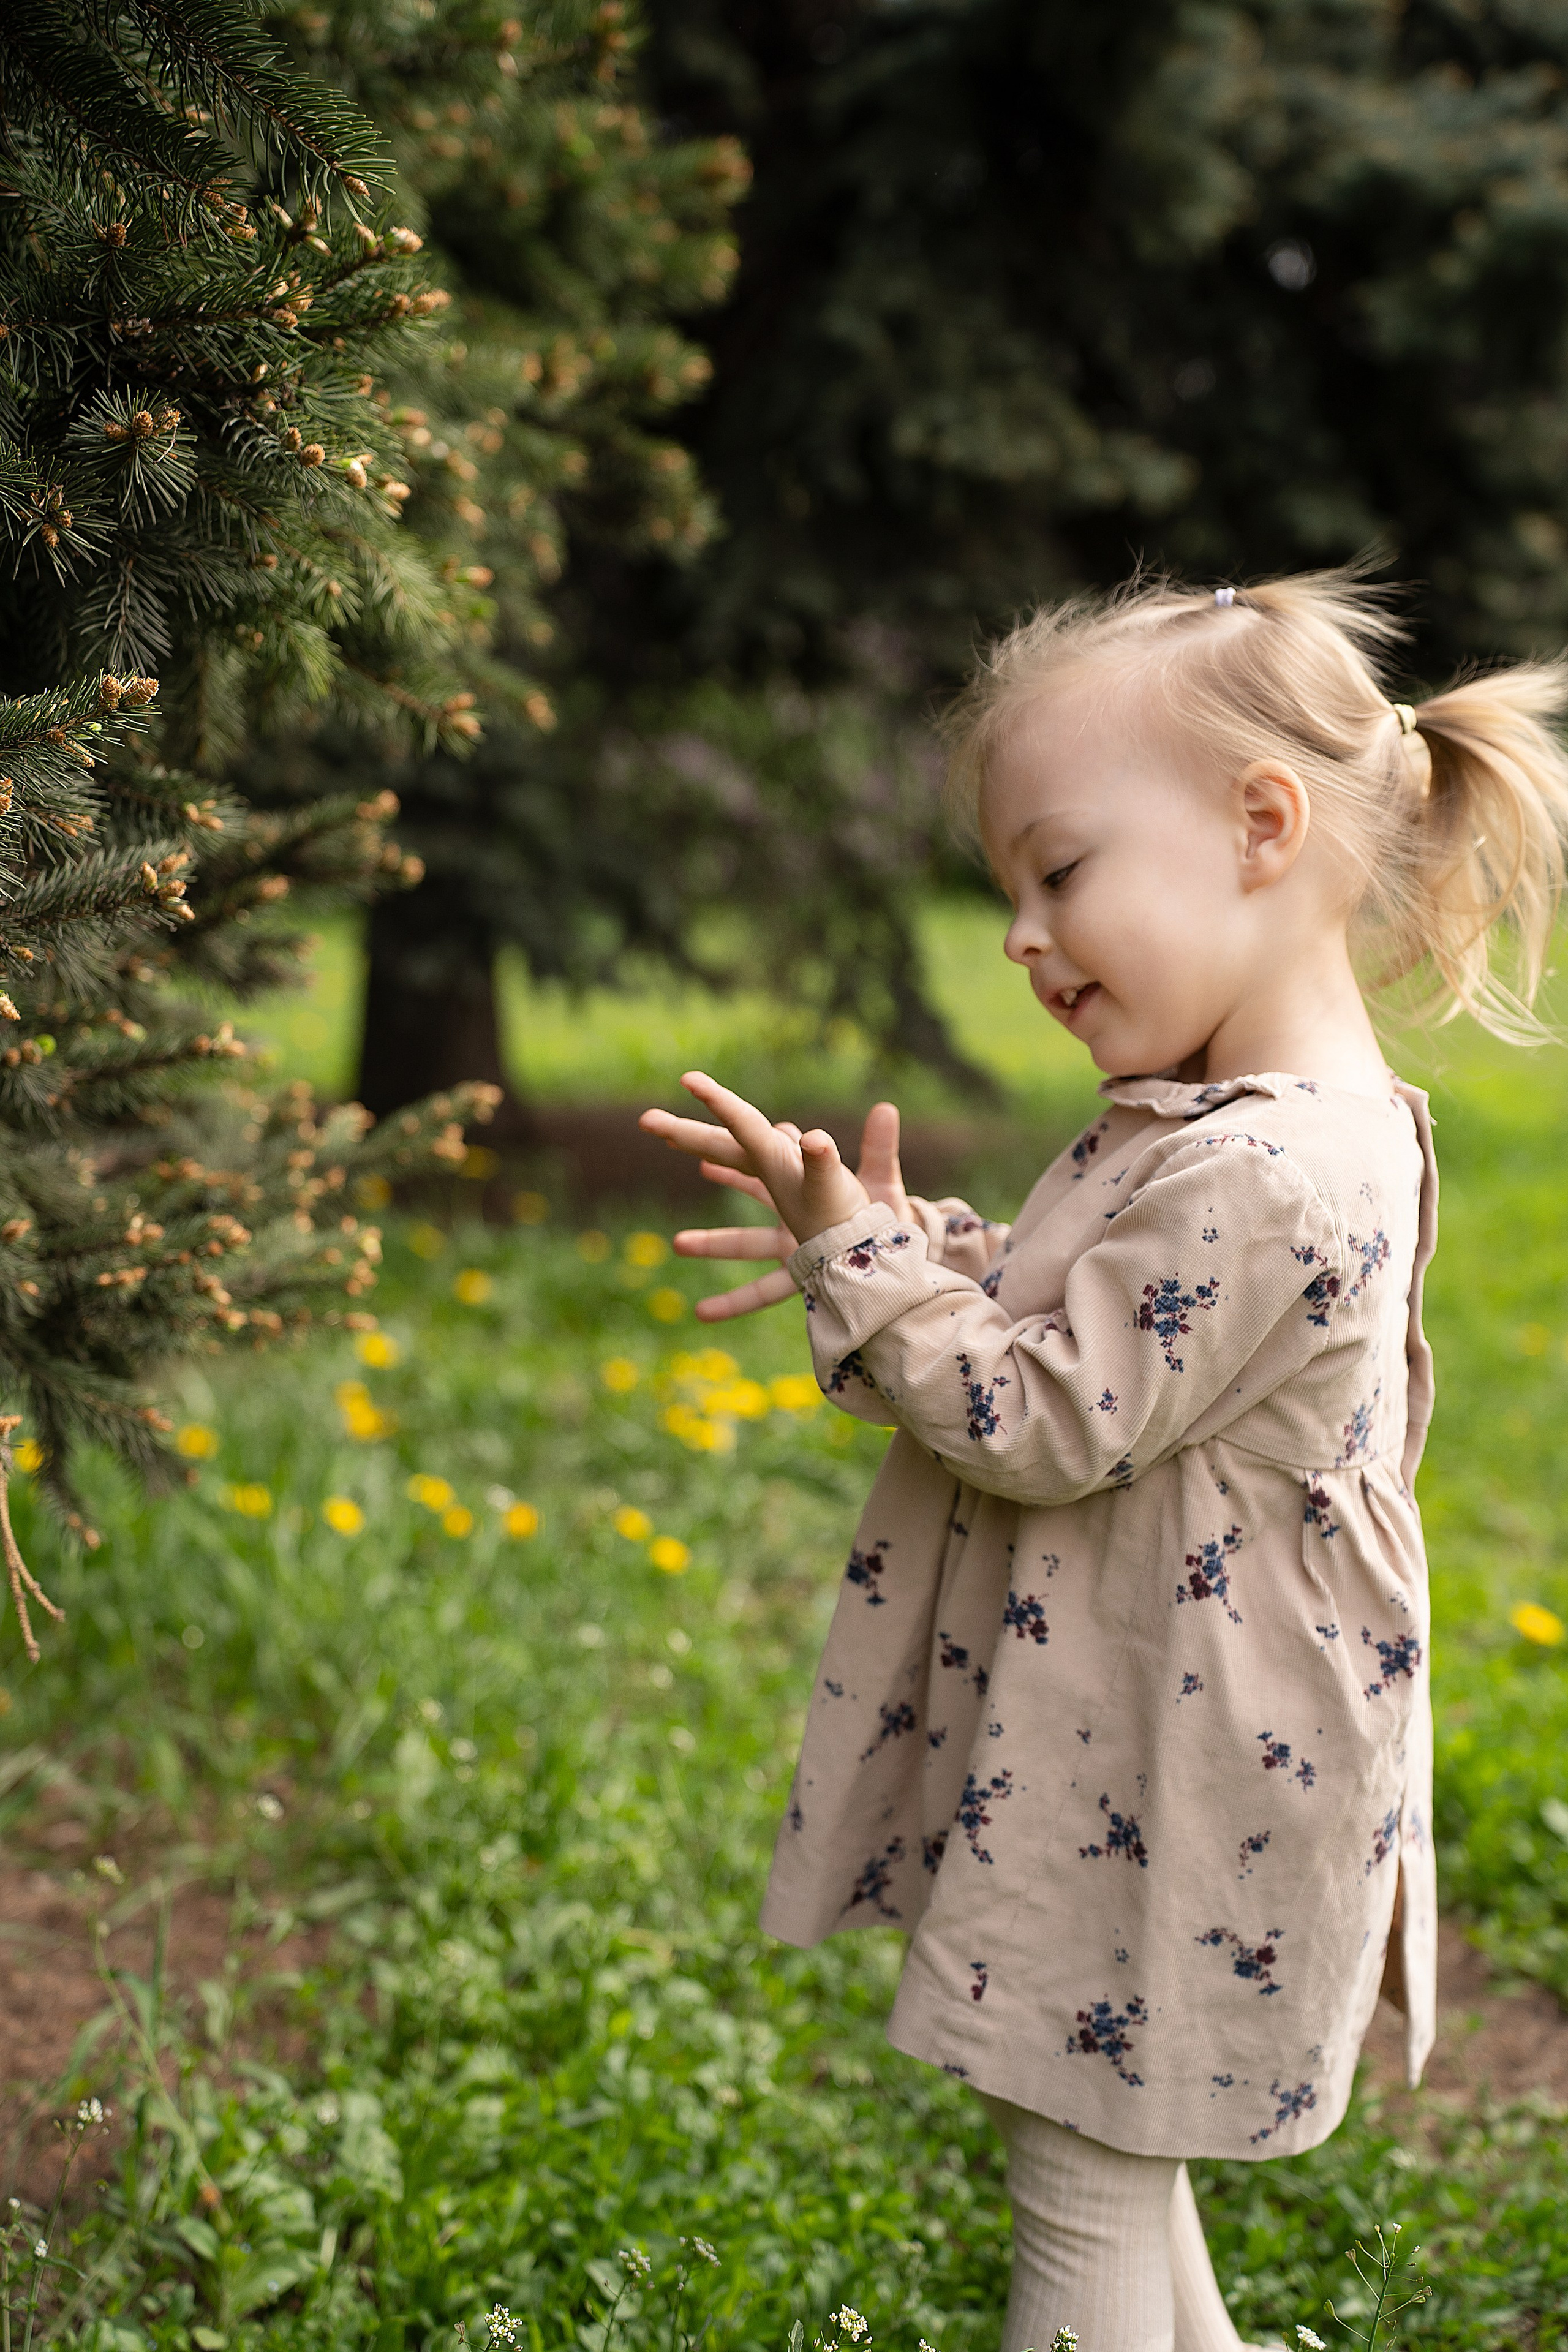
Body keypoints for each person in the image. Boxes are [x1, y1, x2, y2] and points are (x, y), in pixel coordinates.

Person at [638, 573, 1568, 2352]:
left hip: (1169, 1760)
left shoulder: (1264, 1170)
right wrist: (913, 1249)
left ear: (1262, 827)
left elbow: (1039, 1418)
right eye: (1010, 889)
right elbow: (1113, 1334)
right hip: (1164, 1736)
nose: (1020, 934)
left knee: (1080, 2175)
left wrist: (872, 1276)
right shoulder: (1262, 1132)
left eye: (1057, 871)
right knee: (1102, 2146)